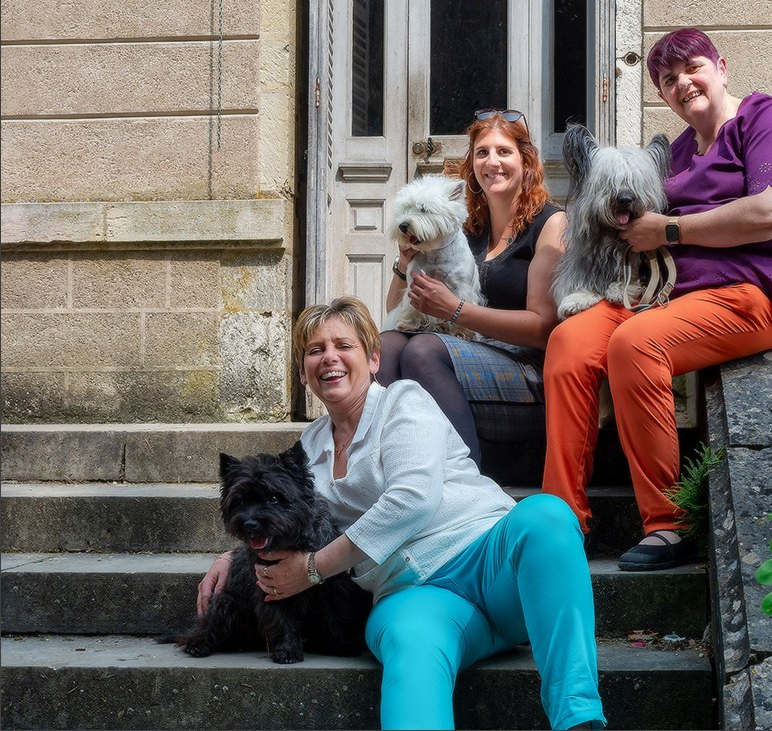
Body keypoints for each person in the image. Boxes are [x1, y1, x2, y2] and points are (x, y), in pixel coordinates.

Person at [197, 296, 605, 731]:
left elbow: (412, 498)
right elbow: (280, 509)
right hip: (411, 595)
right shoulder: (308, 448)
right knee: (410, 645)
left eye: (343, 345)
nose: (329, 357)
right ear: (302, 372)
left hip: (492, 561)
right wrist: (234, 557)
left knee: (546, 514)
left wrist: (314, 568)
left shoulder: (404, 402)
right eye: (314, 350)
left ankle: (576, 717)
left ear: (373, 359)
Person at [542, 27, 772, 571]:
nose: (682, 83)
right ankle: (561, 518)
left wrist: (670, 230)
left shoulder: (765, 121)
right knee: (570, 343)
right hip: (671, 295)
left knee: (636, 345)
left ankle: (667, 524)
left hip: (759, 292)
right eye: (668, 79)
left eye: (692, 68)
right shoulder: (676, 152)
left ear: (722, 67)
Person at [377, 109, 565, 466]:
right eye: (482, 153)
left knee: (422, 351)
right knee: (386, 346)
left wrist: (457, 310)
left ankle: (466, 481)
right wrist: (404, 262)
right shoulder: (459, 228)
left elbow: (543, 328)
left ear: (526, 162)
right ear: (472, 167)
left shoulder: (550, 224)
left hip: (525, 371)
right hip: (464, 354)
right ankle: (389, 469)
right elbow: (394, 310)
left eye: (504, 152)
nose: (492, 162)